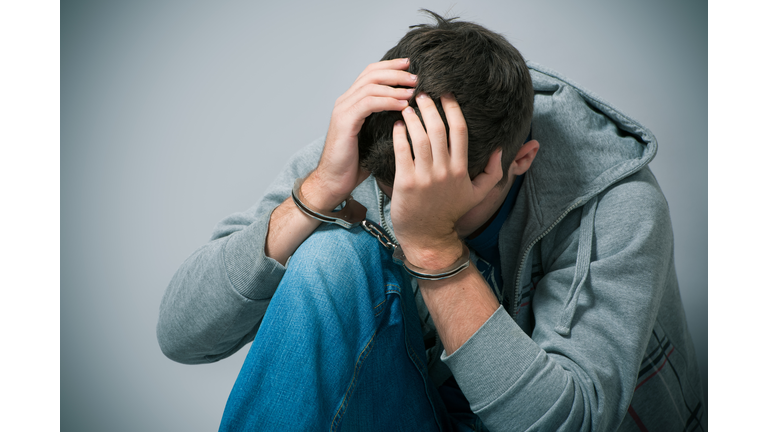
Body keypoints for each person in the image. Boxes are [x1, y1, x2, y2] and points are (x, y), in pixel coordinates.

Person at [158, 11, 706, 431]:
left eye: (440, 194)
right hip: (411, 407)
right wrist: (319, 190)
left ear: (519, 161)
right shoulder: (365, 160)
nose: (405, 207)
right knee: (328, 255)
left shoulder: (618, 204)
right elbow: (182, 336)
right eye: (396, 192)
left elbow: (568, 421)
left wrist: (433, 246)